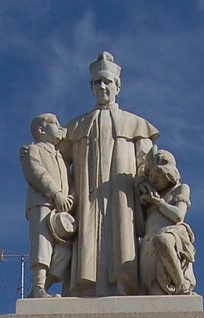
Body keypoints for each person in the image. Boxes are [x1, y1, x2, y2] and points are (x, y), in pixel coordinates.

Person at [63, 51, 158, 297]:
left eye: (107, 82)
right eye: (98, 82)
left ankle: (126, 285)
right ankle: (85, 287)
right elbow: (58, 163)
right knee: (88, 238)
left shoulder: (135, 124)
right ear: (91, 87)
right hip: (87, 196)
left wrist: (146, 183)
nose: (102, 86)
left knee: (122, 237)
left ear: (118, 86)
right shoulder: (76, 126)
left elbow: (147, 163)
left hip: (123, 194)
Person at [22, 113, 75, 298]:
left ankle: (42, 288)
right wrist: (56, 194)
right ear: (41, 130)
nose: (60, 127)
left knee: (65, 250)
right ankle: (38, 287)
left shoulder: (60, 156)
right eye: (55, 123)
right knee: (42, 244)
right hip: (41, 203)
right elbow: (37, 173)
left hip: (60, 210)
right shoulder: (34, 150)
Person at [137, 148, 196, 295]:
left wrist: (158, 202)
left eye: (156, 176)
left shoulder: (180, 189)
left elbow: (177, 216)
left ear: (168, 174)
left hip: (172, 234)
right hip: (149, 243)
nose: (152, 180)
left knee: (162, 241)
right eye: (150, 176)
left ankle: (181, 284)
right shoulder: (149, 195)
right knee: (156, 294)